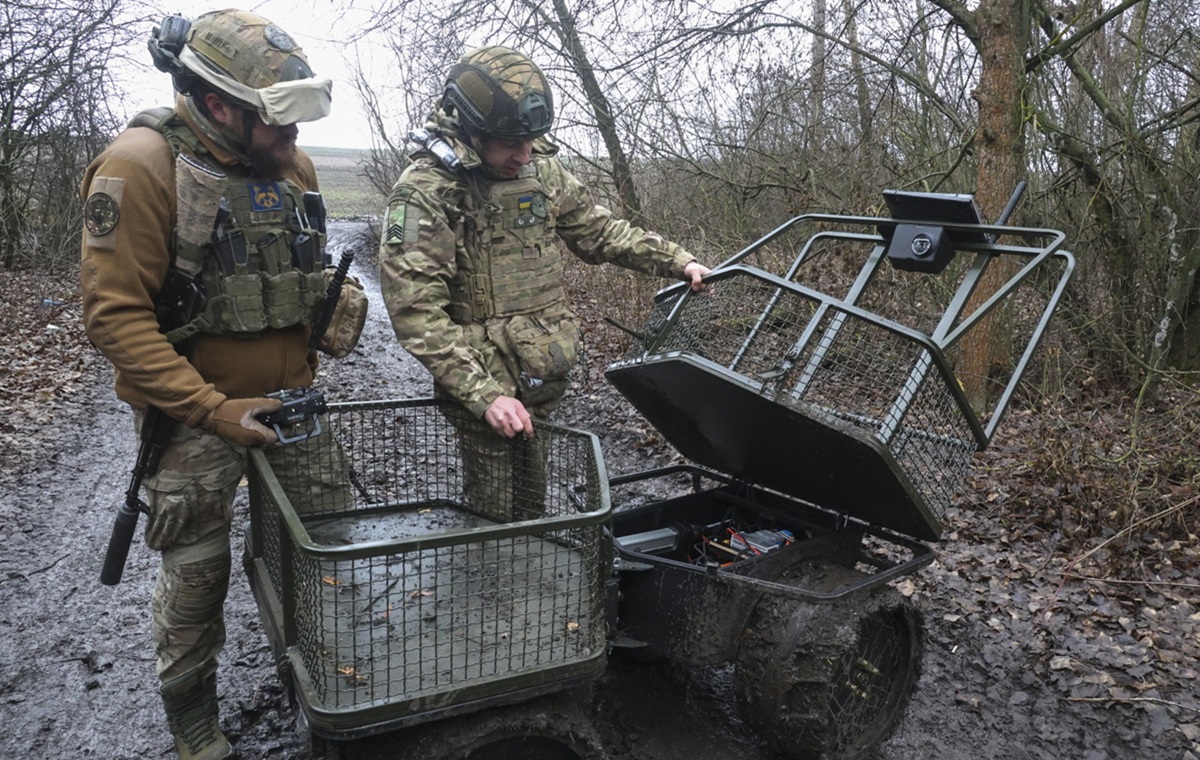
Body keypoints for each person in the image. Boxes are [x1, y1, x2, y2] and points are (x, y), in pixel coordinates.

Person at [80, 10, 355, 760]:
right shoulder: (139, 165)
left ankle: (333, 676)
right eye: (280, 122)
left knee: (332, 550)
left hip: (295, 406)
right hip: (193, 420)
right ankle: (193, 720)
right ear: (222, 107)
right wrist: (211, 408)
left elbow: (296, 273)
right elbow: (116, 318)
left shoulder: (287, 165)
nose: (295, 141)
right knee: (196, 578)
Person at [379, 46, 710, 520]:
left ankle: (528, 572)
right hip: (482, 379)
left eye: (531, 140)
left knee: (532, 499)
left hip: (541, 369)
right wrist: (484, 395)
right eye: (511, 142)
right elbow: (415, 312)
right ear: (473, 132)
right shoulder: (426, 193)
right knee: (496, 514)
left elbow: (599, 231)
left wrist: (679, 262)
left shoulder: (540, 170)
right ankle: (497, 582)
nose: (524, 153)